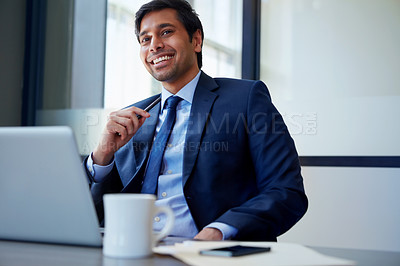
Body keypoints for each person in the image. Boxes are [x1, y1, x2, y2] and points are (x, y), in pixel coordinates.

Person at [85, 0, 307, 241]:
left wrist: (220, 231)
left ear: (197, 40)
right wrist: (102, 155)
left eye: (166, 32)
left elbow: (286, 191)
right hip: (133, 250)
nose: (155, 45)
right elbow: (93, 212)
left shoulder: (245, 99)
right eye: (145, 39)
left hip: (210, 254)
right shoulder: (131, 118)